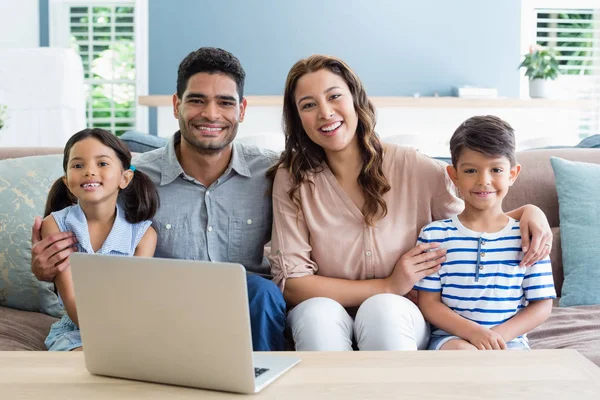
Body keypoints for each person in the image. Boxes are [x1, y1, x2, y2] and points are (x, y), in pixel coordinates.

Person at [267, 54, 554, 351]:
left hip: (399, 314)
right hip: (326, 310)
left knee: (383, 308)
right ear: (298, 118)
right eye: (309, 105)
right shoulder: (293, 178)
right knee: (317, 315)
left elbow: (472, 221)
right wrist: (389, 284)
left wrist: (528, 211)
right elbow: (294, 283)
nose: (325, 113)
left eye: (334, 96)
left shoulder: (415, 167)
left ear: (356, 99)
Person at [31, 47, 287, 351]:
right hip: (163, 313)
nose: (211, 114)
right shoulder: (132, 179)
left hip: (249, 312)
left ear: (242, 110)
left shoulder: (274, 173)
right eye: (196, 100)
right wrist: (46, 269)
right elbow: (93, 235)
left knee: (262, 290)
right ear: (176, 105)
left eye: (225, 102)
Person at [414, 116, 555, 351]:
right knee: (464, 354)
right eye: (470, 170)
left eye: (496, 170)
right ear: (454, 175)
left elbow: (541, 305)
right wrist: (473, 334)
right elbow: (429, 303)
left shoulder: (529, 235)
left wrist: (494, 338)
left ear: (513, 173)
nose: (484, 181)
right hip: (452, 339)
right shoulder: (435, 235)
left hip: (509, 341)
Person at [42, 128, 159, 351]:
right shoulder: (55, 226)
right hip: (77, 329)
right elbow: (72, 298)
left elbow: (136, 298)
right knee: (89, 360)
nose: (89, 172)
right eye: (78, 165)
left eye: (102, 164)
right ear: (67, 181)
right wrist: (109, 343)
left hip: (129, 327)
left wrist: (127, 338)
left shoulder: (144, 235)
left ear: (125, 178)